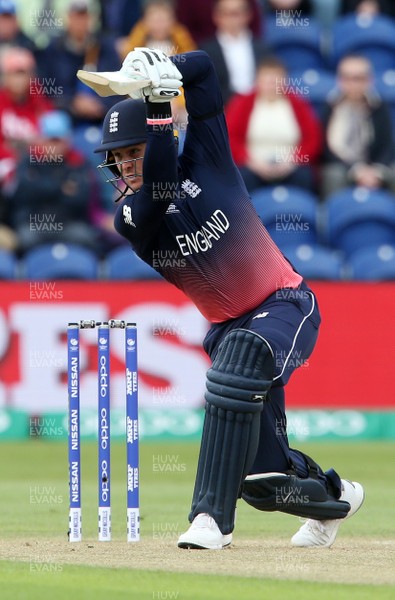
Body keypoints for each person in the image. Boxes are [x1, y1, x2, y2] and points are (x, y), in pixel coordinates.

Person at [83, 47, 364, 549]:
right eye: (117, 159)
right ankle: (337, 496)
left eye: (132, 152)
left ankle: (210, 519)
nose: (124, 167)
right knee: (264, 482)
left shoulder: (207, 157)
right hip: (230, 330)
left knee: (240, 356)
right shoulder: (131, 218)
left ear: (152, 137)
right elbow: (164, 182)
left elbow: (207, 70)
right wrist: (160, 101)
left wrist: (166, 66)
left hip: (285, 303)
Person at [6, 110, 102, 254]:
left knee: (85, 237)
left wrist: (40, 187)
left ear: (67, 140)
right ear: (41, 140)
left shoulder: (79, 162)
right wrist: (61, 187)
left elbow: (81, 199)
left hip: (69, 224)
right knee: (24, 238)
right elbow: (22, 194)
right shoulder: (28, 161)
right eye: (50, 140)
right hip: (33, 224)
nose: (54, 146)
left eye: (58, 140)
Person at [226, 55, 322, 193]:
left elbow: (312, 139)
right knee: (242, 177)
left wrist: (292, 161)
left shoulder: (298, 103)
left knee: (304, 176)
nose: (271, 86)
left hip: (290, 165)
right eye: (266, 81)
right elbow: (231, 138)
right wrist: (251, 161)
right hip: (253, 165)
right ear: (257, 81)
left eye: (276, 81)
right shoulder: (242, 103)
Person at [320, 54, 395, 199]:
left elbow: (387, 145)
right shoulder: (330, 107)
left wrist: (375, 171)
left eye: (359, 78)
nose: (353, 84)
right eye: (347, 78)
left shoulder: (379, 107)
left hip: (374, 166)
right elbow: (326, 149)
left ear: (369, 80)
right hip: (343, 167)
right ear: (339, 80)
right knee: (333, 175)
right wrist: (356, 171)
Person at [200, 0, 267, 105]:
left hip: (259, 105)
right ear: (216, 16)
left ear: (248, 15)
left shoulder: (262, 47)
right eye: (226, 13)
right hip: (221, 109)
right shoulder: (206, 50)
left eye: (236, 13)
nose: (231, 19)